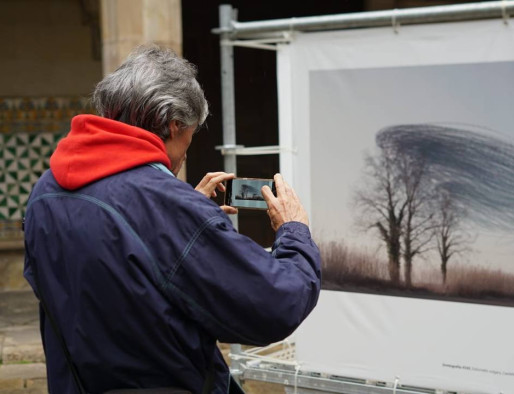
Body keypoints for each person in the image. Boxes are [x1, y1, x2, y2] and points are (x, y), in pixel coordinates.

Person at [23, 45, 321, 393]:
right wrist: (293, 230)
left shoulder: (46, 190)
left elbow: (110, 277)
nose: (182, 156)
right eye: (190, 137)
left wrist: (184, 220)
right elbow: (275, 304)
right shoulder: (166, 206)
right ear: (174, 124)